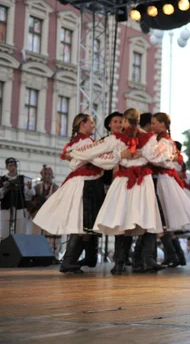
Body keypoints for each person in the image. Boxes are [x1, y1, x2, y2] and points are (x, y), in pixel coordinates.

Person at [67, 108, 173, 274]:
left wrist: (75, 153)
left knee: (121, 220)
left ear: (125, 121)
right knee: (141, 220)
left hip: (124, 181)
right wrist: (143, 155)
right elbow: (159, 157)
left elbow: (96, 151)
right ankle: (140, 261)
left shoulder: (116, 139)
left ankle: (120, 264)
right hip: (142, 182)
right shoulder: (149, 138)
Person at [33, 114, 123, 273]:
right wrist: (118, 156)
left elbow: (74, 162)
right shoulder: (88, 142)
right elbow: (102, 161)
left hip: (81, 182)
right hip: (87, 183)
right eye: (91, 123)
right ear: (83, 124)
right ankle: (70, 261)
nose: (93, 126)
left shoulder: (73, 143)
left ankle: (82, 258)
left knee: (84, 224)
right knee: (84, 223)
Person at [150, 112, 190, 267]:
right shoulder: (164, 141)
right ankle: (175, 256)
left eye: (155, 123)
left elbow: (158, 158)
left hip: (162, 180)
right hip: (163, 180)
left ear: (162, 124)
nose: (152, 126)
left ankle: (172, 255)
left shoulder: (164, 142)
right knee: (163, 221)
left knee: (161, 220)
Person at [0, 158, 36, 239]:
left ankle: (18, 251)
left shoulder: (22, 179)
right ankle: (5, 250)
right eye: (10, 166)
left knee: (20, 235)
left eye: (14, 165)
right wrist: (4, 188)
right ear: (7, 167)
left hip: (20, 209)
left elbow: (30, 195)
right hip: (5, 210)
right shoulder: (2, 179)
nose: (12, 168)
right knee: (4, 235)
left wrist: (29, 188)